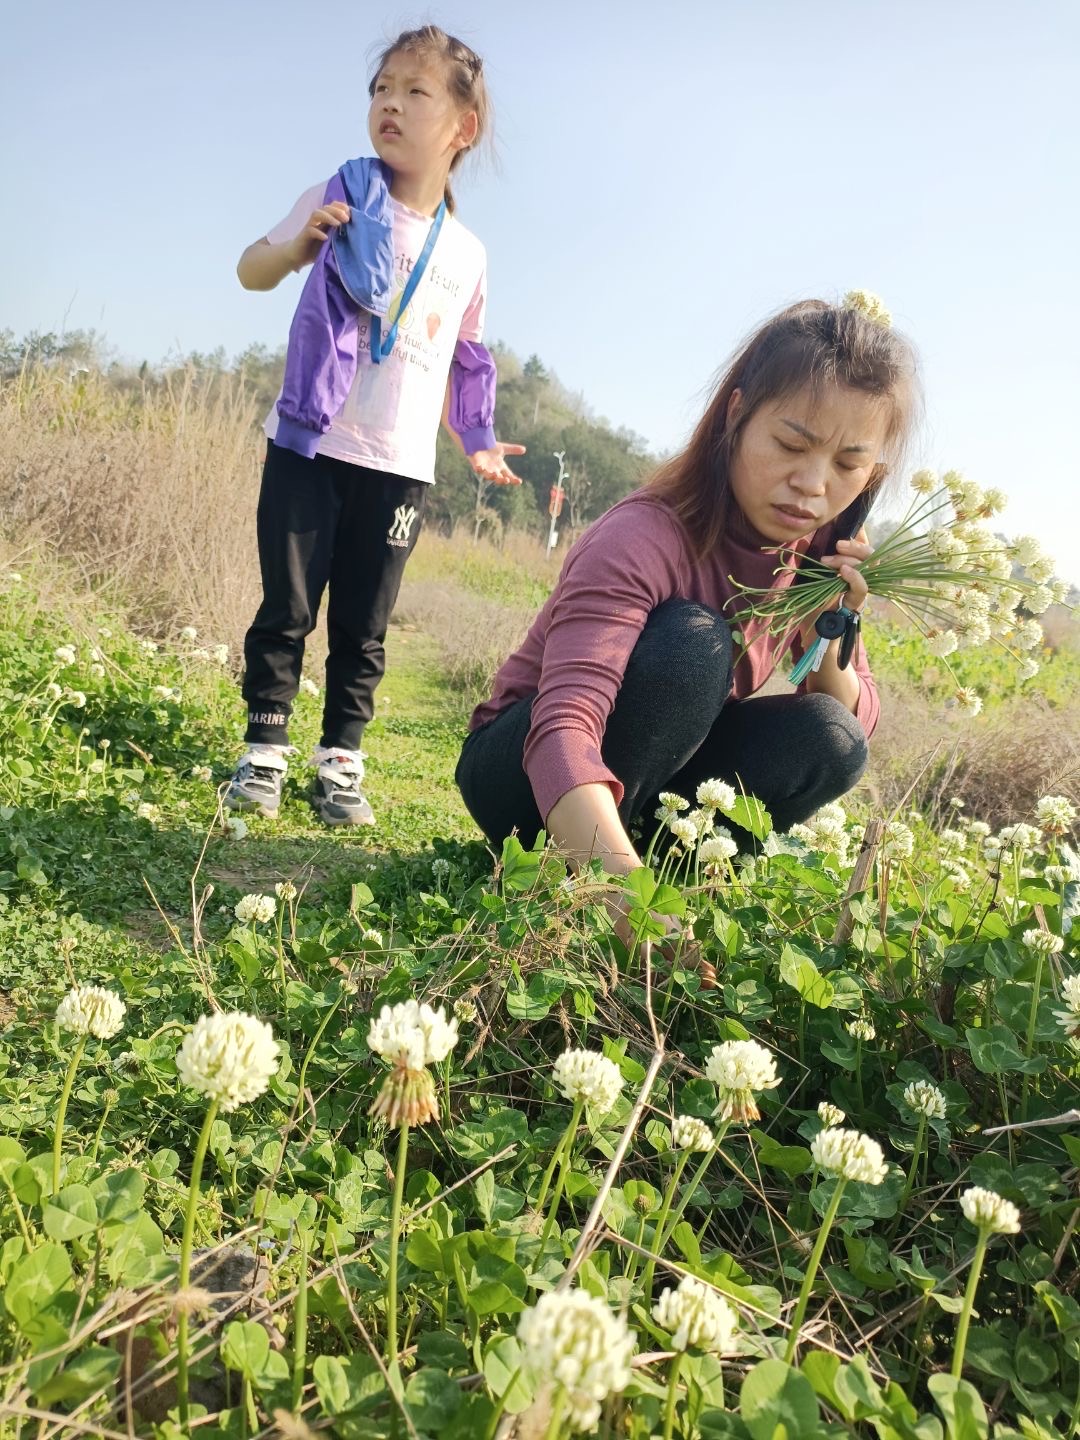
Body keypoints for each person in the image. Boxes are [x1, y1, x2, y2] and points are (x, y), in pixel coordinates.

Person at [456, 298, 919, 925]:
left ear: (873, 474)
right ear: (737, 417)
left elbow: (854, 721)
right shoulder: (645, 536)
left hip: (649, 780)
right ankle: (595, 872)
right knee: (694, 643)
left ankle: (643, 861)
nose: (813, 484)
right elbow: (563, 726)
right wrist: (630, 910)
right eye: (790, 444)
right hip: (521, 775)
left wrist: (826, 629)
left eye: (847, 464)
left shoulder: (814, 561)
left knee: (832, 739)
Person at [226, 25, 523, 826]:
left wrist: (481, 440)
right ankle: (262, 755)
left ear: (462, 127)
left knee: (365, 623)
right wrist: (298, 248)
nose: (389, 103)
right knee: (287, 604)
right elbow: (251, 267)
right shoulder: (344, 193)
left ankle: (340, 768)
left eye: (413, 91)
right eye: (380, 88)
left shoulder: (467, 253)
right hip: (308, 443)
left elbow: (467, 360)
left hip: (399, 465)